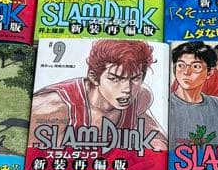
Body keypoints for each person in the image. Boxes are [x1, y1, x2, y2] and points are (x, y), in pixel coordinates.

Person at [31, 38, 167, 152]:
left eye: (135, 79)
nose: (127, 89)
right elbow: (35, 162)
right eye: (115, 79)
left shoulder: (140, 97)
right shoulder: (55, 108)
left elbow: (158, 142)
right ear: (94, 77)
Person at [169, 41, 218, 146]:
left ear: (209, 72)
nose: (186, 72)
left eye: (195, 66)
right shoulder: (166, 107)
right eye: (181, 65)